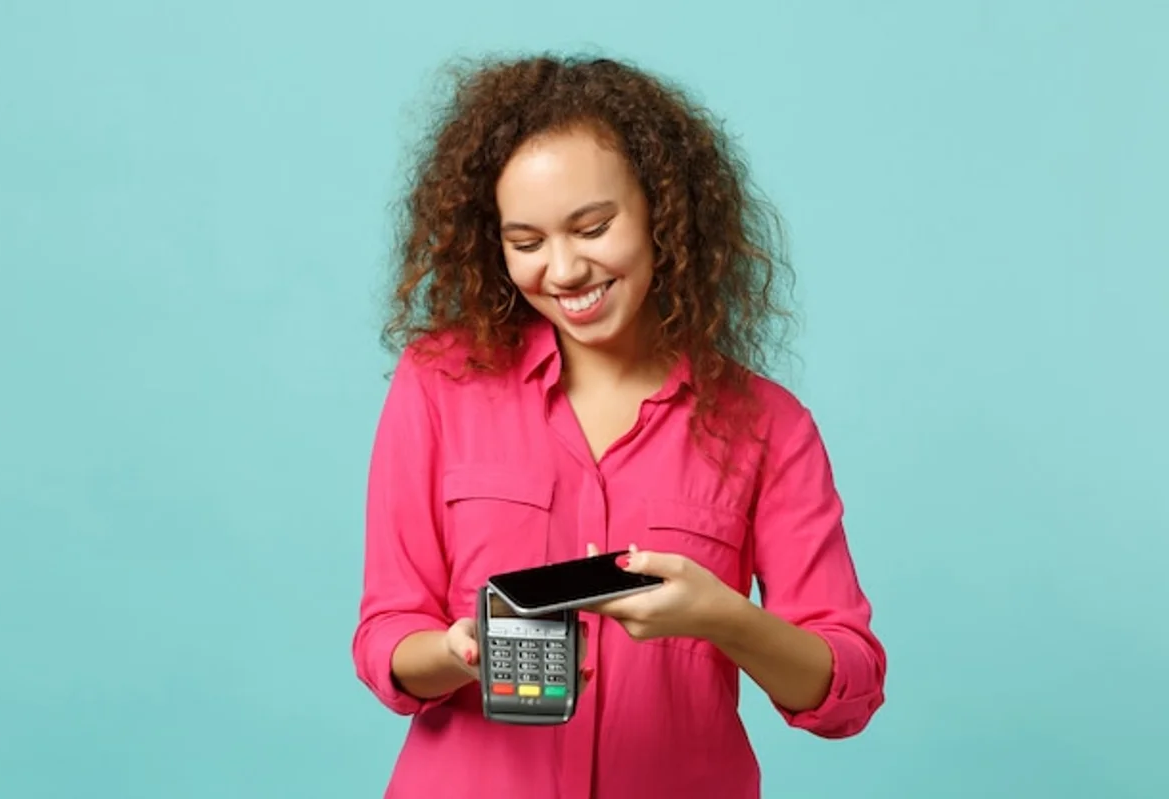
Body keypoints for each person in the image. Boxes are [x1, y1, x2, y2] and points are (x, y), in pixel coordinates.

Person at [351, 53, 886, 799]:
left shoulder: (770, 427)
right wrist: (455, 650)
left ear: (663, 213)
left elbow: (848, 685)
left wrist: (726, 618)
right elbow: (386, 634)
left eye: (593, 227)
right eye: (527, 242)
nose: (564, 269)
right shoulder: (438, 385)